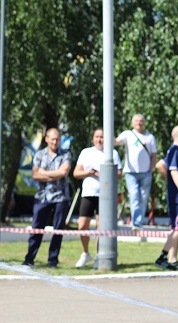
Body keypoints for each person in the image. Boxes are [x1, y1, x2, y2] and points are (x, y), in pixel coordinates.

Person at [23, 127, 72, 268]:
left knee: (58, 231)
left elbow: (64, 172)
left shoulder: (66, 154)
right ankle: (29, 259)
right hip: (42, 197)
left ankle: (52, 261)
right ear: (46, 139)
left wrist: (45, 173)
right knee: (36, 229)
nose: (55, 142)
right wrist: (53, 174)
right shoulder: (39, 154)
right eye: (52, 139)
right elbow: (35, 175)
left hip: (60, 197)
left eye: (57, 139)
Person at [73, 128, 121, 268]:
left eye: (102, 137)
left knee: (101, 227)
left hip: (105, 195)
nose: (99, 139)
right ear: (93, 138)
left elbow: (119, 174)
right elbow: (76, 173)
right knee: (82, 225)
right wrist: (89, 172)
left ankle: (100, 255)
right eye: (97, 137)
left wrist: (105, 172)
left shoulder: (112, 153)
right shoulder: (86, 152)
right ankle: (85, 252)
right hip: (88, 193)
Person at [115, 114, 158, 228]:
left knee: (143, 198)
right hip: (131, 173)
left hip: (146, 173)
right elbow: (116, 142)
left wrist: (151, 169)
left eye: (141, 121)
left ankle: (139, 221)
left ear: (144, 123)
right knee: (134, 197)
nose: (139, 123)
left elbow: (154, 155)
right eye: (136, 121)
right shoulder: (127, 134)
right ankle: (136, 223)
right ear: (132, 123)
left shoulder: (150, 137)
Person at [153, 126, 178, 271]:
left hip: (174, 196)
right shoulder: (175, 150)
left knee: (175, 229)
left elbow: (161, 165)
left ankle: (171, 259)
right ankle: (163, 257)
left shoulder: (172, 150)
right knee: (176, 229)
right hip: (176, 198)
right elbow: (174, 171)